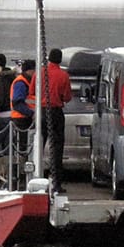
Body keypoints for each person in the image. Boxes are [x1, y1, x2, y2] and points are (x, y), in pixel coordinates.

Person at [39, 48, 72, 193]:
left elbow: (32, 91)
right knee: (57, 148)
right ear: (60, 59)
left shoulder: (40, 72)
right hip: (56, 112)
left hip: (41, 111)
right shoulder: (63, 75)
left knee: (39, 145)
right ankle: (57, 183)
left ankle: (35, 178)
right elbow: (67, 97)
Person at [9, 59, 35, 157]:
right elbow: (17, 103)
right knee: (23, 146)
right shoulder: (21, 83)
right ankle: (21, 168)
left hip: (25, 118)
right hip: (21, 119)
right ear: (29, 71)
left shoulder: (26, 81)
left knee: (25, 146)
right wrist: (31, 113)